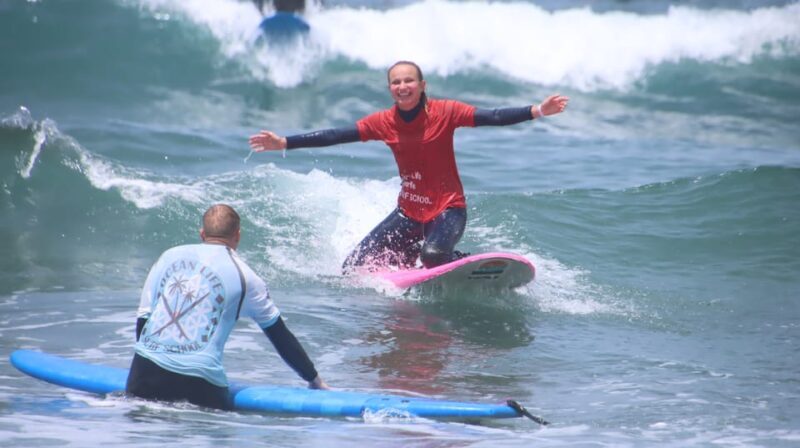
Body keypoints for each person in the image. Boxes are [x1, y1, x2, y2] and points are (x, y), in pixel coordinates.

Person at [249, 60, 569, 274]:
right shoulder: (383, 122)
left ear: (422, 85)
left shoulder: (446, 112)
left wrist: (538, 110)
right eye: (396, 82)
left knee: (431, 256)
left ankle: (463, 262)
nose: (403, 86)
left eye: (409, 81)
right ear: (390, 88)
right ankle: (415, 256)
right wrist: (285, 143)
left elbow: (494, 116)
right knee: (355, 268)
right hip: (408, 213)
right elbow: (337, 135)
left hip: (448, 211)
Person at [126, 204, 329, 410]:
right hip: (199, 385)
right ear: (238, 235)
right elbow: (280, 336)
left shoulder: (168, 256)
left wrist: (147, 367)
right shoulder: (246, 276)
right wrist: (314, 380)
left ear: (202, 233)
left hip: (143, 376)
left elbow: (144, 319)